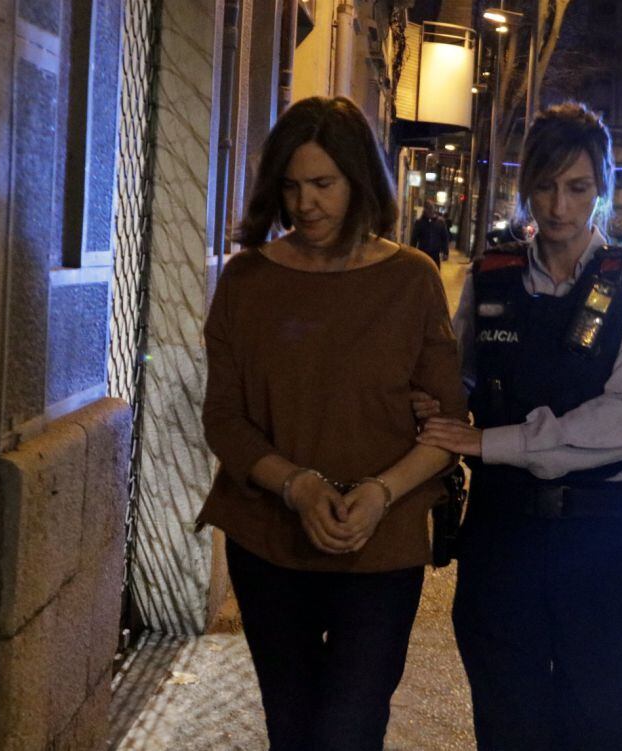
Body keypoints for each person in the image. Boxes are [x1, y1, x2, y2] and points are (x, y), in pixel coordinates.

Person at [197, 96, 466, 750]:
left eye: (323, 184)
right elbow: (223, 420)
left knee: (349, 729)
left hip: (382, 543)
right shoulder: (247, 279)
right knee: (292, 727)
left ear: (360, 181)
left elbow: (448, 422)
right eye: (291, 186)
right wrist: (299, 486)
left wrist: (377, 493)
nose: (305, 203)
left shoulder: (411, 278)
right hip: (269, 541)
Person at [416, 102, 622, 750]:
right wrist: (436, 404)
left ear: (603, 189)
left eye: (578, 188)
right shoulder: (490, 276)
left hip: (602, 534)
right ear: (525, 184)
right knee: (506, 722)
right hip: (502, 533)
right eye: (545, 185)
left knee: (604, 725)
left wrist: (489, 441)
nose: (559, 206)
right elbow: (459, 377)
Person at [409, 200, 450, 267]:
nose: (429, 211)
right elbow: (414, 238)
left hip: (435, 254)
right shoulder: (420, 223)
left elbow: (444, 238)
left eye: (431, 208)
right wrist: (412, 252)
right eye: (428, 208)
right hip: (423, 253)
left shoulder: (440, 222)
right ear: (425, 210)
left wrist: (445, 252)